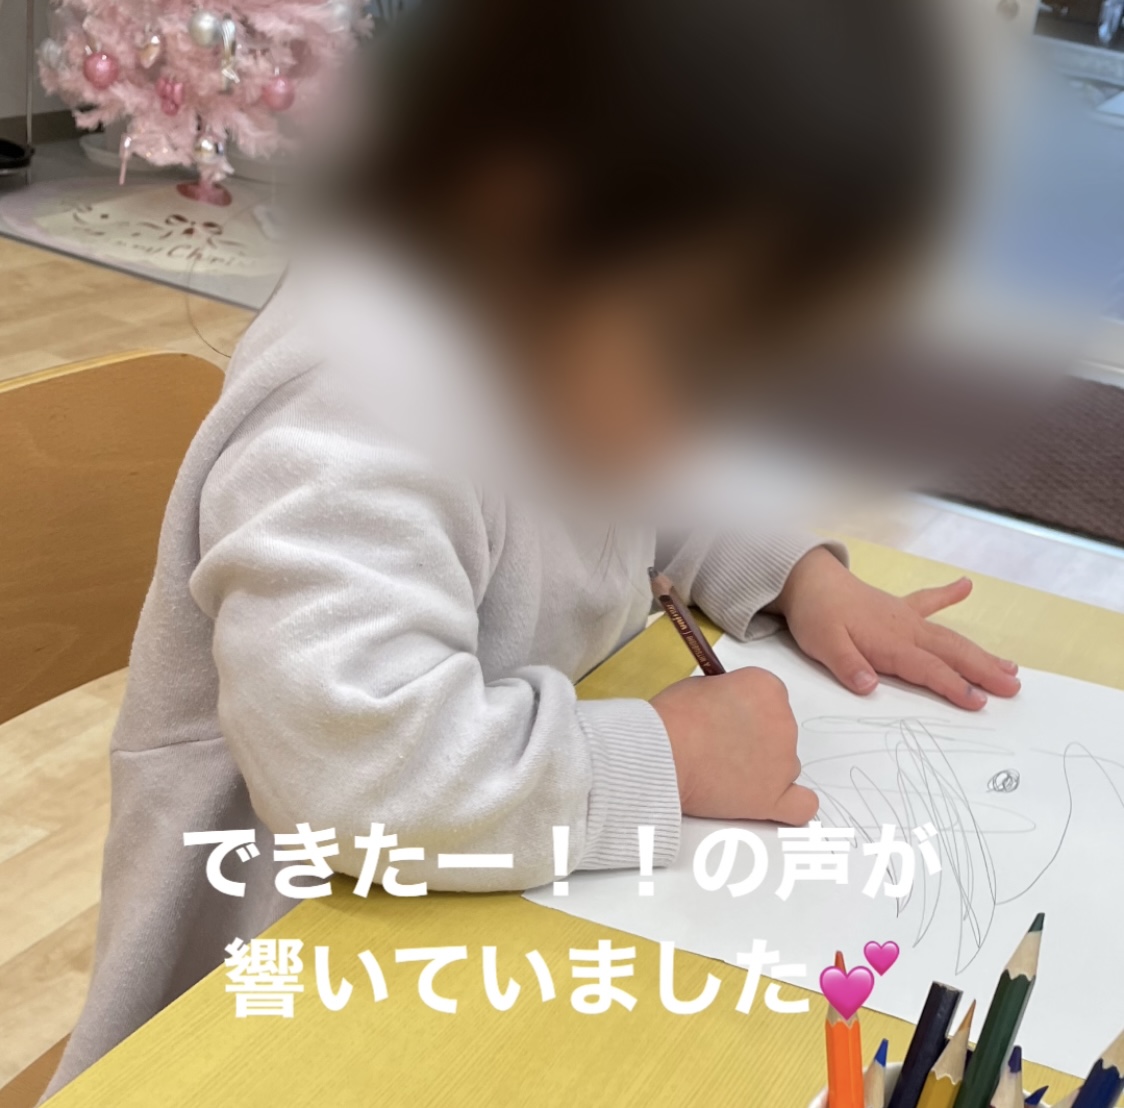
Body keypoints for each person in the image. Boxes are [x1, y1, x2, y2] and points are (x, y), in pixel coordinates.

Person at [45, 0, 1021, 1095]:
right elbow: (355, 766)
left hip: (481, 932)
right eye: (699, 355)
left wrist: (797, 574)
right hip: (263, 1002)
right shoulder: (361, 392)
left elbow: (659, 481)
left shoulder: (578, 327)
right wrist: (665, 759)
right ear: (518, 208)